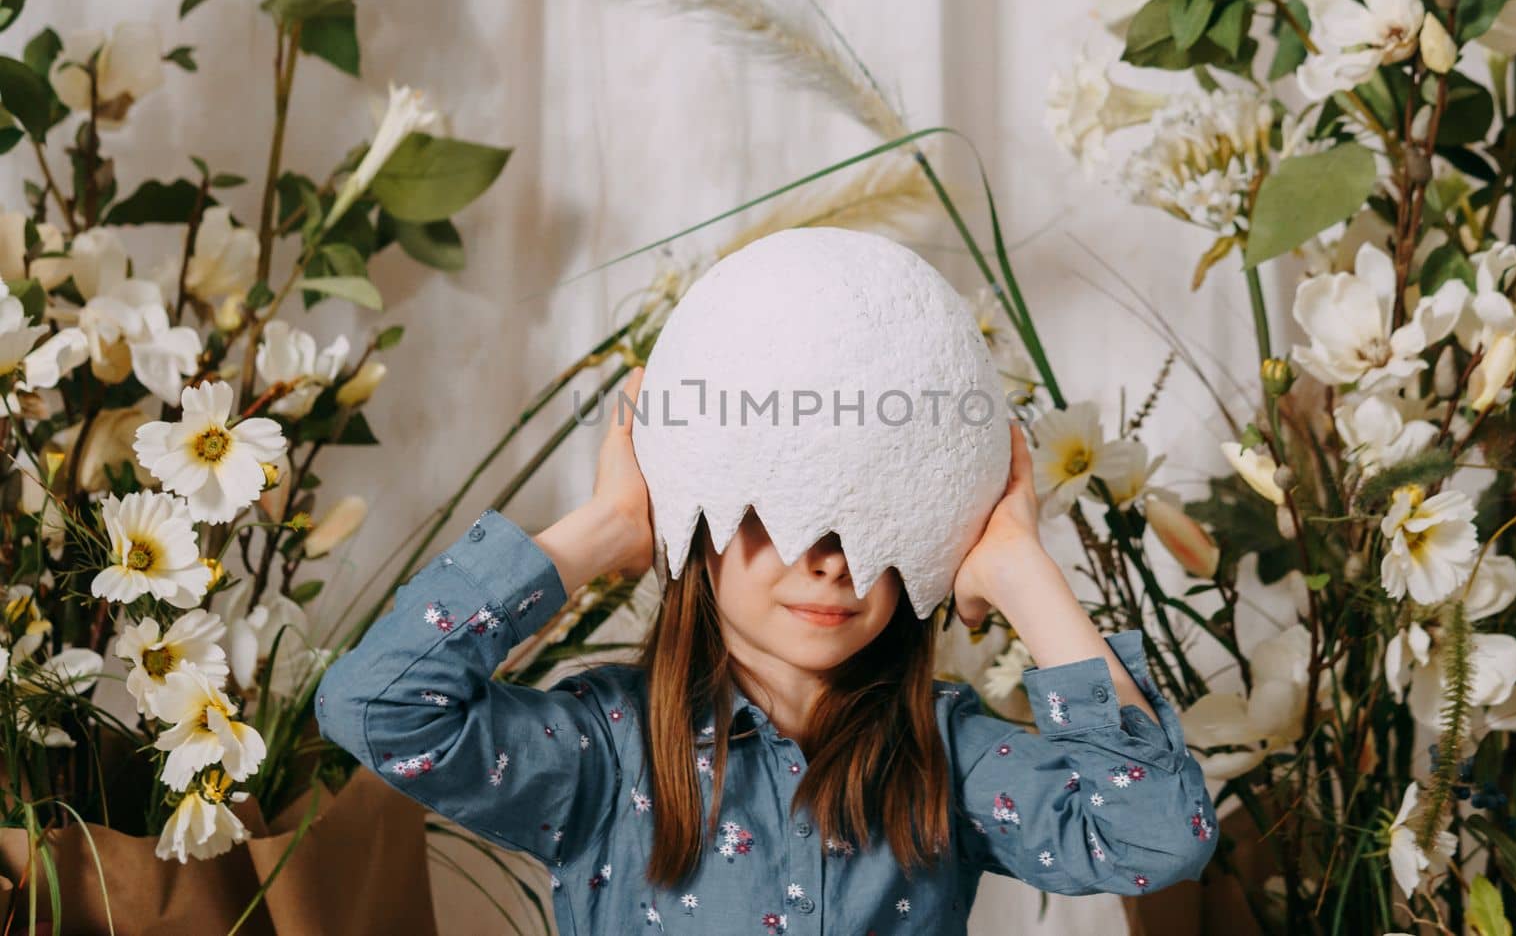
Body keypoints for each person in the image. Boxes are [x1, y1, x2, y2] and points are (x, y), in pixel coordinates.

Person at [314, 366, 1218, 934]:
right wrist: (607, 529)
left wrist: (1020, 568)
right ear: (699, 522)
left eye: (877, 526)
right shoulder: (607, 749)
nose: (834, 561)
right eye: (787, 512)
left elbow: (1156, 839)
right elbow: (378, 707)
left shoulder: (945, 755)